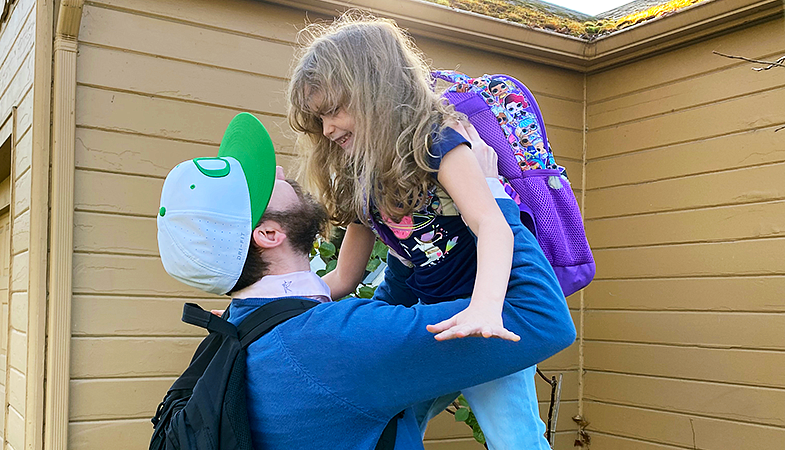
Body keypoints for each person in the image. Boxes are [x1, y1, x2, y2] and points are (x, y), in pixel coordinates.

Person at [156, 112, 575, 449]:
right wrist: (489, 194)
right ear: (268, 234)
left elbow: (384, 312)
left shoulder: (240, 331)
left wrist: (403, 234)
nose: (281, 171)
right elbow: (544, 319)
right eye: (269, 183)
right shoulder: (340, 343)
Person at [287, 13, 553, 449]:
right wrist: (272, 302)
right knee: (392, 421)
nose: (328, 128)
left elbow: (493, 226)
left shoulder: (438, 143)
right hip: (430, 322)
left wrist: (484, 309)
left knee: (515, 437)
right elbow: (344, 277)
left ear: (377, 91)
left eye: (334, 110)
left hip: (480, 318)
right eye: (318, 119)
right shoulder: (360, 176)